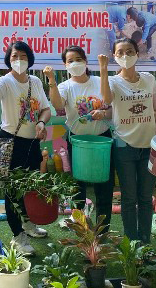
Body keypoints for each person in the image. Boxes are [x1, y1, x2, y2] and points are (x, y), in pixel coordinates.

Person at [0, 41, 51, 255]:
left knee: (29, 187)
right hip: (11, 142)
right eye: (14, 57)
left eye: (22, 56)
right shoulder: (5, 81)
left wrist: (41, 123)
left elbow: (46, 109)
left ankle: (27, 225)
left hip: (31, 143)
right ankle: (17, 237)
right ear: (8, 60)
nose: (19, 60)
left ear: (29, 58)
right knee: (12, 191)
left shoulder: (36, 82)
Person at [99, 38, 156, 244]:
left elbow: (154, 109)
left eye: (129, 51)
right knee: (129, 198)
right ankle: (131, 242)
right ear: (114, 57)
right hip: (124, 145)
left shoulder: (149, 79)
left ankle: (145, 241)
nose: (125, 56)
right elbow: (107, 100)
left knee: (145, 197)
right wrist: (102, 69)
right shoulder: (113, 81)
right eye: (120, 53)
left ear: (137, 53)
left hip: (149, 145)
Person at [44, 46, 114, 231]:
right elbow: (58, 105)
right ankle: (80, 229)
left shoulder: (100, 81)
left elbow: (112, 106)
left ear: (85, 61)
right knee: (77, 188)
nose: (74, 63)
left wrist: (104, 113)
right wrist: (51, 80)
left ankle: (102, 231)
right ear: (65, 65)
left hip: (102, 140)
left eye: (78, 59)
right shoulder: (65, 86)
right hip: (77, 142)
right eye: (70, 61)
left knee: (104, 188)